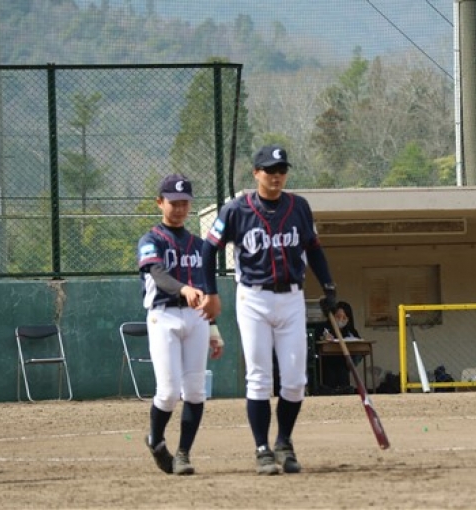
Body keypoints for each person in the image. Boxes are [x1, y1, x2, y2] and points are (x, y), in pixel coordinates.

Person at [198, 145, 337, 476]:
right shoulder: (236, 210)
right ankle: (262, 449)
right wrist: (210, 292)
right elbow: (207, 250)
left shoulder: (299, 207)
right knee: (259, 377)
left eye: (281, 170)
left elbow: (314, 249)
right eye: (270, 170)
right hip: (254, 299)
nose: (276, 176)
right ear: (256, 173)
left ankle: (284, 443)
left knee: (295, 380)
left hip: (292, 298)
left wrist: (329, 287)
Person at [137, 174, 224, 476]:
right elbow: (158, 275)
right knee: (169, 391)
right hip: (164, 316)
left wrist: (213, 328)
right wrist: (183, 289)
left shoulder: (199, 245)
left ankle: (184, 454)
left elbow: (206, 289)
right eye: (173, 202)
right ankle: (156, 440)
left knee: (196, 391)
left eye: (184, 203)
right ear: (160, 203)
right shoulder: (151, 240)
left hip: (197, 318)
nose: (179, 208)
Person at [315, 301, 361, 393]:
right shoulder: (324, 327)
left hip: (343, 363)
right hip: (326, 362)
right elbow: (317, 337)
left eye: (344, 317)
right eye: (338, 317)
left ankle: (344, 390)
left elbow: (357, 341)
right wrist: (323, 337)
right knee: (330, 369)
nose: (341, 320)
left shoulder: (351, 331)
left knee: (343, 368)